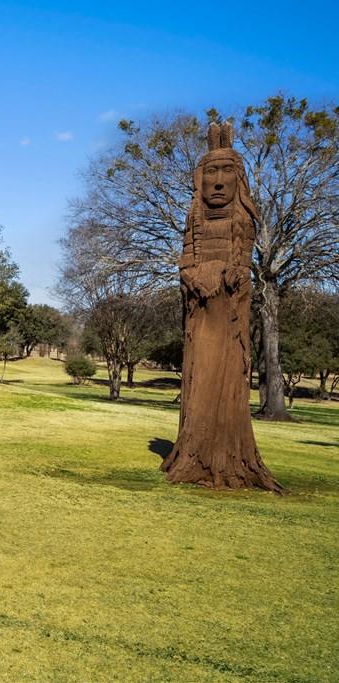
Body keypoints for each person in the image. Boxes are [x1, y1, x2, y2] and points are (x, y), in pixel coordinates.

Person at [161, 122, 282, 492]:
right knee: (199, 371)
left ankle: (227, 455)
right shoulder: (194, 218)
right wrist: (193, 277)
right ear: (200, 179)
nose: (217, 181)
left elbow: (240, 264)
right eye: (210, 171)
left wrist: (231, 278)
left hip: (227, 316)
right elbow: (185, 258)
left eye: (226, 171)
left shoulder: (241, 219)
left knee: (227, 373)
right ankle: (194, 451)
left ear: (238, 180)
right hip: (200, 316)